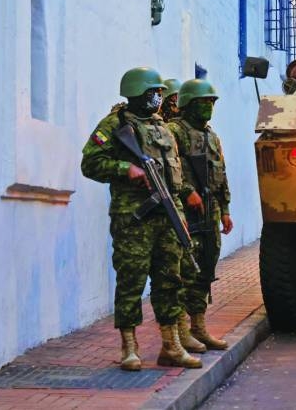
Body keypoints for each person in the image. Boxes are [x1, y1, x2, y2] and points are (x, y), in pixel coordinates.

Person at [80, 67, 202, 372]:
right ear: (136, 93)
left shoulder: (164, 129)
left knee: (169, 281)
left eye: (160, 93)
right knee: (131, 280)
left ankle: (171, 344)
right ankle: (129, 346)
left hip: (167, 216)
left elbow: (175, 177)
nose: (159, 98)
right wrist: (126, 169)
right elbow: (90, 162)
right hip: (133, 219)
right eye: (153, 93)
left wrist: (180, 216)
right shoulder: (115, 125)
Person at [169, 79, 233, 352]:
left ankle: (199, 326)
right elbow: (167, 169)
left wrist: (225, 210)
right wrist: (185, 192)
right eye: (203, 102)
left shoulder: (211, 136)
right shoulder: (174, 131)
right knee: (186, 271)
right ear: (188, 104)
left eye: (212, 102)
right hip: (186, 212)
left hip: (210, 210)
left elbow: (221, 174)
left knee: (206, 268)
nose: (209, 106)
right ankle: (181, 331)